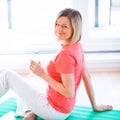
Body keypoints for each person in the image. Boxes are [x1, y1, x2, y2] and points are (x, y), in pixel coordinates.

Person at [0, 8, 113, 120]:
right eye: (57, 24)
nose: (59, 29)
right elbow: (86, 76)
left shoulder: (65, 55)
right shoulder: (76, 46)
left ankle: (31, 111)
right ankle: (30, 112)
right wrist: (94, 105)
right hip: (64, 107)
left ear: (75, 28)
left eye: (65, 26)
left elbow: (69, 92)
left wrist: (42, 74)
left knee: (7, 76)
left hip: (53, 110)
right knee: (25, 84)